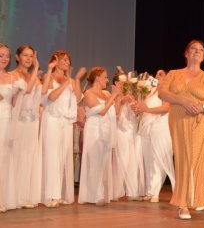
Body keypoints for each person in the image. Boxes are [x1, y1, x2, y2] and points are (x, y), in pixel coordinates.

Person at [158, 39, 204, 220]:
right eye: (193, 49)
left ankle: (198, 197)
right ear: (186, 54)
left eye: (200, 50)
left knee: (200, 161)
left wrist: (202, 108)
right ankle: (183, 204)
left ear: (203, 56)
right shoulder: (173, 74)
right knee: (184, 159)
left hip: (201, 123)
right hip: (179, 121)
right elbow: (162, 93)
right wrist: (183, 101)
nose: (197, 51)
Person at [40, 50, 86, 207]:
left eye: (68, 60)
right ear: (56, 61)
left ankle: (58, 193)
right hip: (52, 119)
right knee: (52, 155)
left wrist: (77, 79)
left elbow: (79, 98)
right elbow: (50, 97)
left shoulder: (71, 81)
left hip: (65, 123)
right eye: (64, 60)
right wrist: (66, 82)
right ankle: (50, 195)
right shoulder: (49, 77)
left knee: (61, 156)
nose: (67, 62)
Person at [78, 67, 121, 206]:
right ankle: (95, 196)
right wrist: (114, 96)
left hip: (106, 130)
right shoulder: (88, 94)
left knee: (103, 163)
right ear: (97, 78)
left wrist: (118, 96)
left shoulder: (107, 94)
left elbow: (116, 112)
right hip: (94, 130)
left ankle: (100, 193)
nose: (107, 80)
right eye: (105, 77)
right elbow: (101, 111)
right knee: (94, 162)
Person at [132, 69, 175, 203]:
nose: (157, 76)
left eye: (161, 75)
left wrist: (147, 110)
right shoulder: (150, 91)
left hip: (162, 127)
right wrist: (138, 109)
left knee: (159, 159)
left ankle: (158, 192)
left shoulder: (167, 91)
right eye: (156, 74)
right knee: (149, 160)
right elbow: (144, 109)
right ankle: (150, 191)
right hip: (148, 128)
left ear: (167, 78)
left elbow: (166, 108)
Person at [10, 45, 42, 208]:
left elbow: (39, 100)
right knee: (16, 156)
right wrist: (37, 68)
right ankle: (13, 196)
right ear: (17, 57)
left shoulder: (34, 76)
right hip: (19, 121)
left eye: (31, 56)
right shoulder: (12, 75)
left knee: (29, 157)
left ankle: (24, 195)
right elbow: (26, 92)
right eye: (25, 55)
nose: (29, 59)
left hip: (32, 121)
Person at [113, 71, 144, 202]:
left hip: (131, 131)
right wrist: (120, 101)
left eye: (126, 82)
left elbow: (135, 116)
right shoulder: (112, 95)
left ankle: (132, 192)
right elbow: (114, 115)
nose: (125, 85)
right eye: (122, 82)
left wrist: (136, 111)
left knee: (132, 160)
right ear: (116, 83)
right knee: (122, 160)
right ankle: (115, 192)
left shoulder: (131, 96)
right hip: (120, 131)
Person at [0, 43, 17, 212]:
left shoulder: (13, 78)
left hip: (6, 120)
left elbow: (13, 103)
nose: (5, 59)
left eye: (7, 56)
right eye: (1, 55)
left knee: (3, 159)